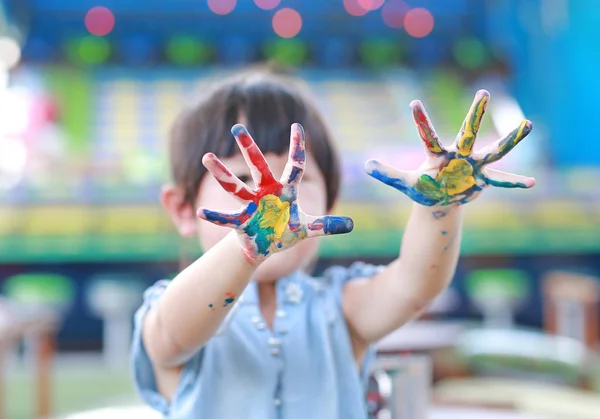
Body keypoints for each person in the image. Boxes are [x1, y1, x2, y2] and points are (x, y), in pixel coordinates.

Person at [131, 68, 534, 418]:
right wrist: (245, 246)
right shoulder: (174, 310)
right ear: (183, 208)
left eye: (298, 180)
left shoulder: (341, 309)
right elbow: (176, 333)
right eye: (245, 177)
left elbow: (415, 285)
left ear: (330, 201)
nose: (274, 199)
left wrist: (440, 207)